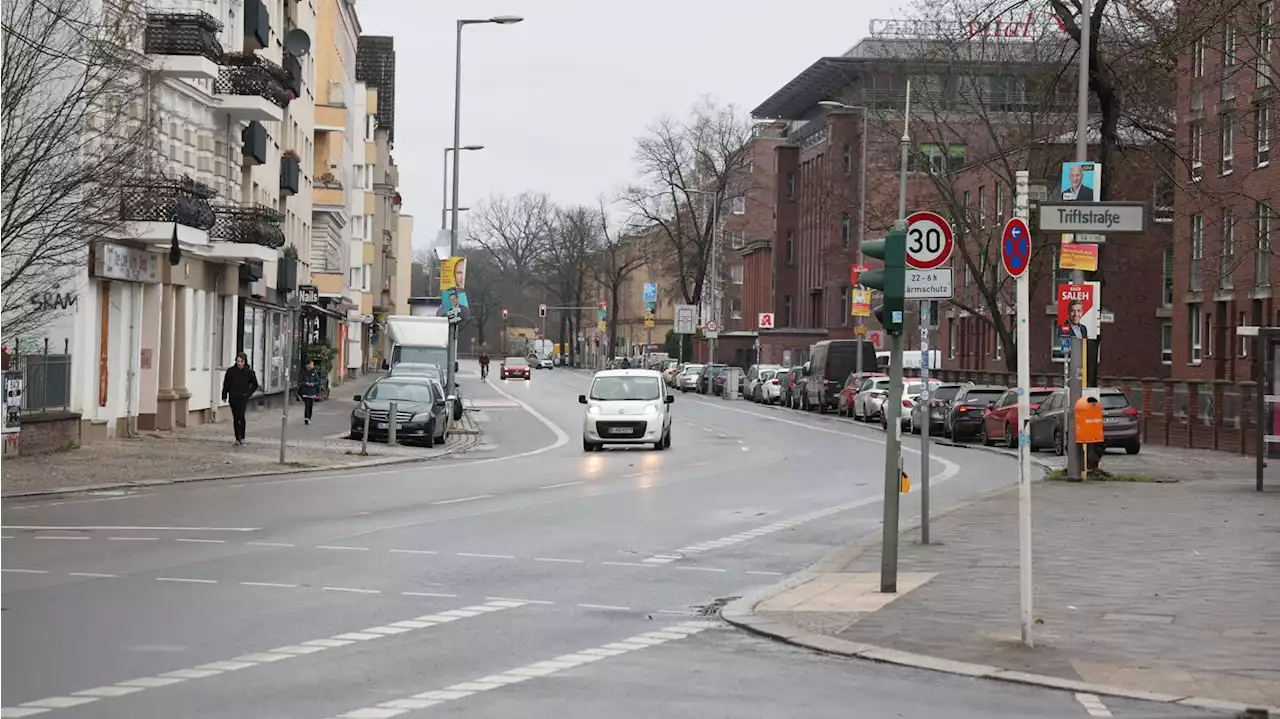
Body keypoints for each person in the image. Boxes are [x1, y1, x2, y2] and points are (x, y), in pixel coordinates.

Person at [221, 352, 259, 446]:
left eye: (241, 361)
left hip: (243, 397)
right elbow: (226, 383)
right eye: (238, 361)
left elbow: (255, 384)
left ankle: (242, 437)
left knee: (241, 416)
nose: (239, 363)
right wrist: (224, 395)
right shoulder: (231, 371)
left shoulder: (249, 372)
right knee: (235, 417)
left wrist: (248, 394)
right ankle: (237, 438)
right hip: (233, 397)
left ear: (244, 362)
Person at [298, 359, 322, 425]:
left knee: (310, 405)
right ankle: (306, 418)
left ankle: (309, 417)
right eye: (311, 364)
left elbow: (318, 381)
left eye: (312, 364)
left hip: (312, 392)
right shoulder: (303, 372)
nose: (312, 366)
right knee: (307, 405)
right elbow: (300, 381)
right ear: (307, 365)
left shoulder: (315, 372)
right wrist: (305, 383)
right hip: (305, 391)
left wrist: (313, 384)